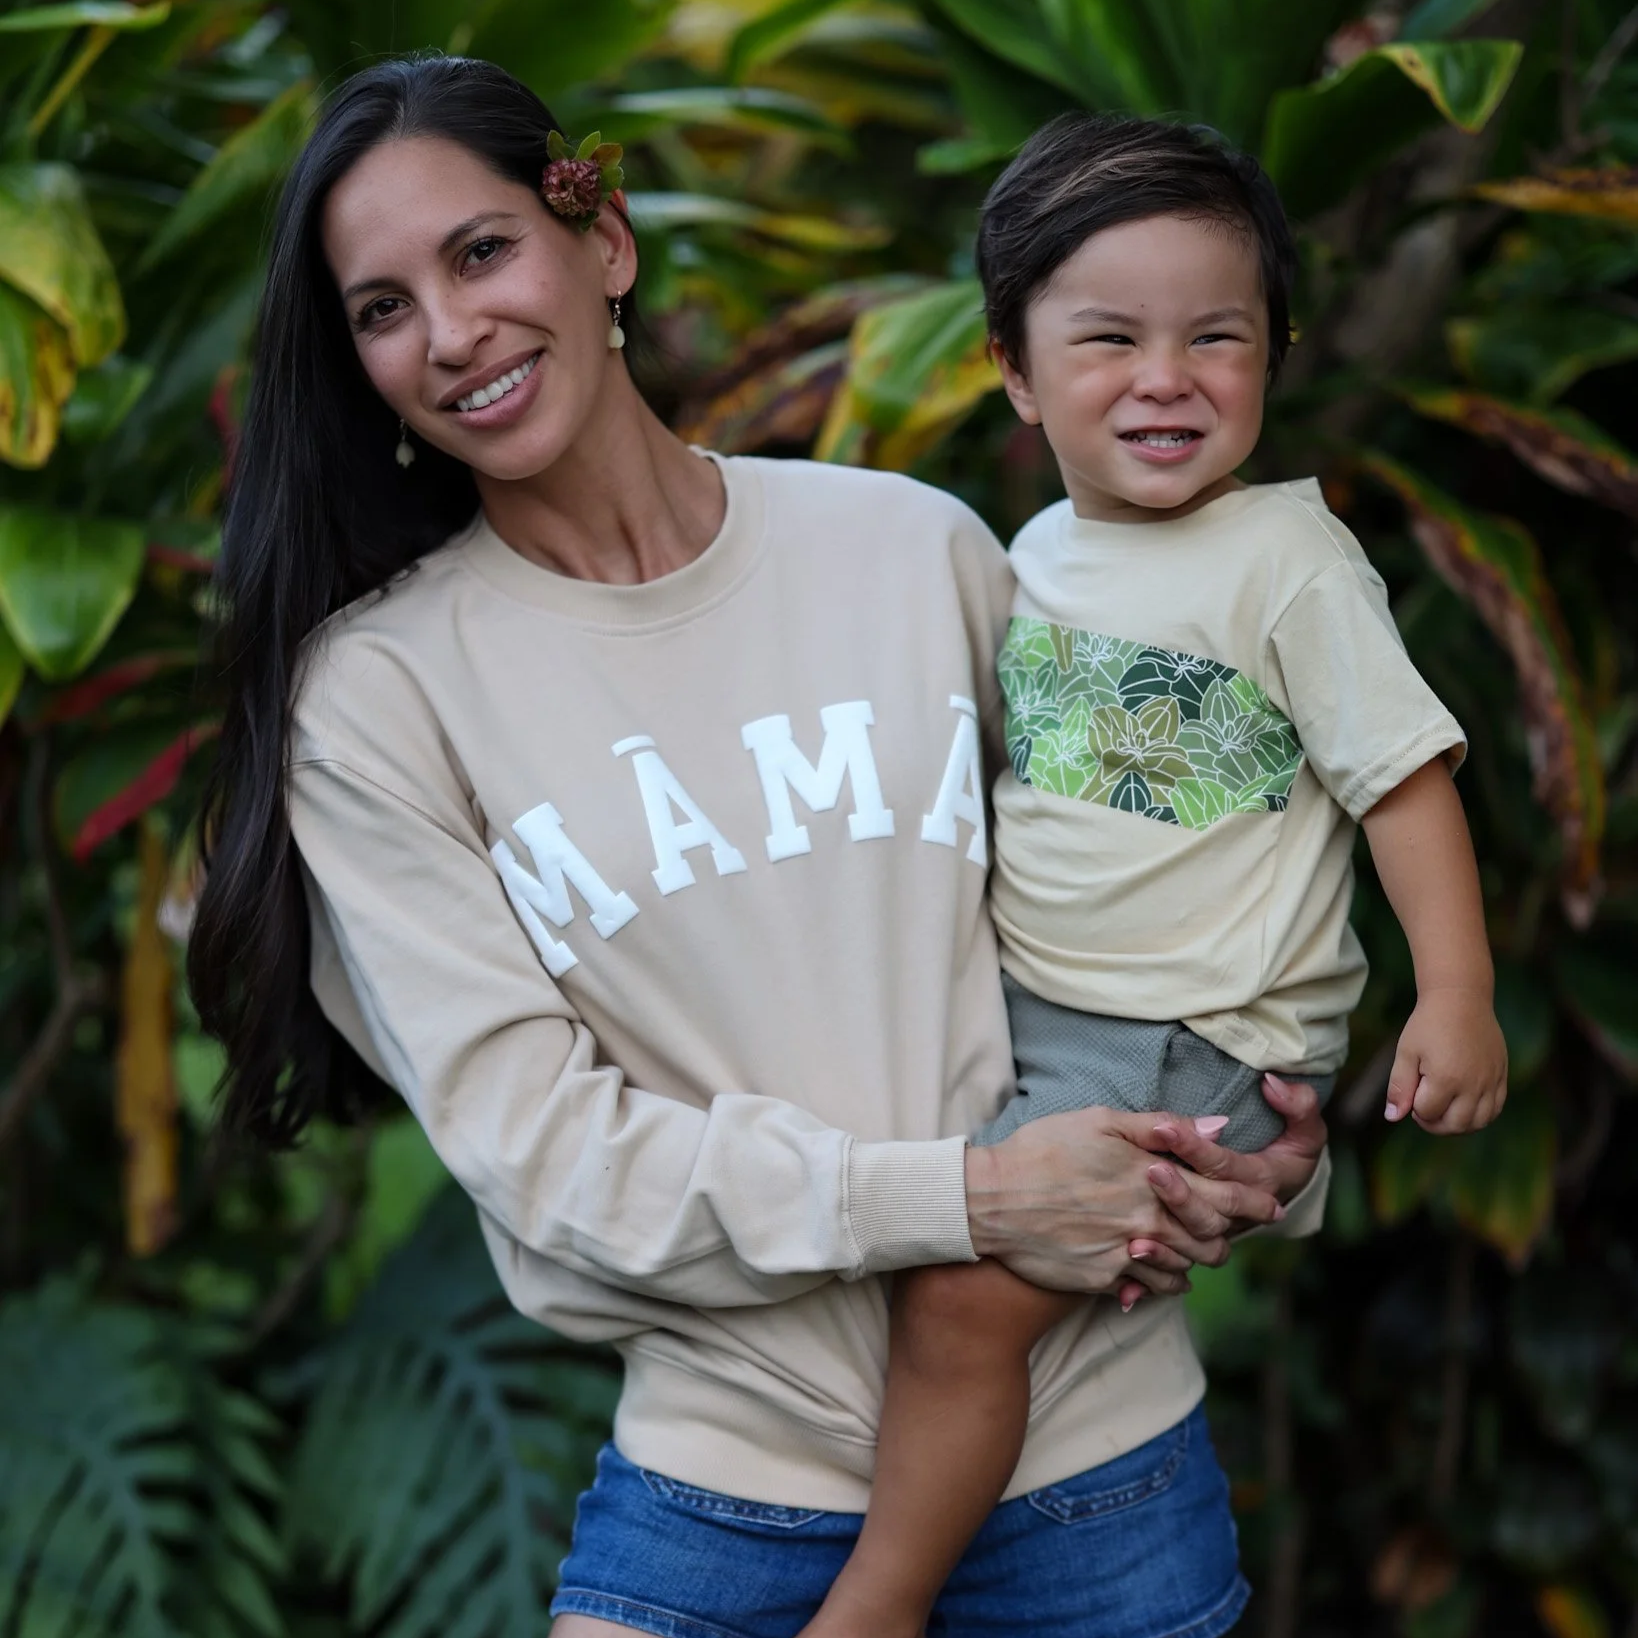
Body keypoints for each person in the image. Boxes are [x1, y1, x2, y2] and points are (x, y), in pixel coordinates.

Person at [187, 59, 1332, 1638]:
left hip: (1096, 1476)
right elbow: (547, 1157)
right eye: (381, 310)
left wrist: (1247, 1137)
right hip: (728, 1488)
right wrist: (970, 1200)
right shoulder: (380, 700)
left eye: (478, 253)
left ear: (603, 242)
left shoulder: (911, 545)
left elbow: (1170, 883)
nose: (448, 335)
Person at [799, 113, 1510, 1638]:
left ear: (1274, 349)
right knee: (896, 1234)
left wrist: (1454, 992)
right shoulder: (1037, 548)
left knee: (958, 1299)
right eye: (1107, 338)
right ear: (1012, 365)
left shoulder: (1285, 560)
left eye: (1214, 336)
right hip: (1044, 1004)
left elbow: (1400, 776)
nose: (1164, 376)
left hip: (1182, 1033)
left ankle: (873, 1607)